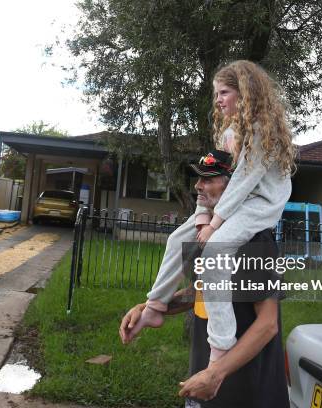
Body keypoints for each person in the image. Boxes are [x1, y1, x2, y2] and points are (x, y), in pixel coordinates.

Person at [126, 60, 295, 364]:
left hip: (258, 205)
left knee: (214, 252)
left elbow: (243, 183)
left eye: (225, 92)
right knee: (177, 240)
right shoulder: (229, 133)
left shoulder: (259, 132)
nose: (218, 99)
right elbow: (212, 178)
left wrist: (214, 225)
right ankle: (154, 307)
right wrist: (203, 217)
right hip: (230, 203)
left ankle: (221, 345)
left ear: (245, 94)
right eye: (216, 93)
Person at [120, 157, 289, 407]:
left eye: (208, 179)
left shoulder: (256, 241)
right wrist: (149, 308)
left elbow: (267, 324)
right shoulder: (209, 235)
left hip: (242, 389)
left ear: (234, 187)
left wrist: (217, 372)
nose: (198, 185)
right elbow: (199, 292)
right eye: (198, 178)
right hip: (204, 378)